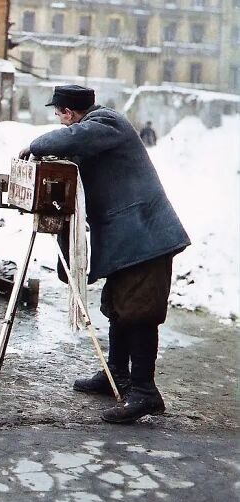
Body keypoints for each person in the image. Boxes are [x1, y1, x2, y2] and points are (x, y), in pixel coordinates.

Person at [18, 84, 190, 424]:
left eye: (59, 113)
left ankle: (144, 392)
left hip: (147, 237)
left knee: (138, 312)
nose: (59, 120)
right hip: (128, 240)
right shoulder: (94, 135)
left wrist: (35, 146)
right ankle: (117, 374)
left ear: (68, 112)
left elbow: (70, 139)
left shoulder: (107, 123)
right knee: (117, 307)